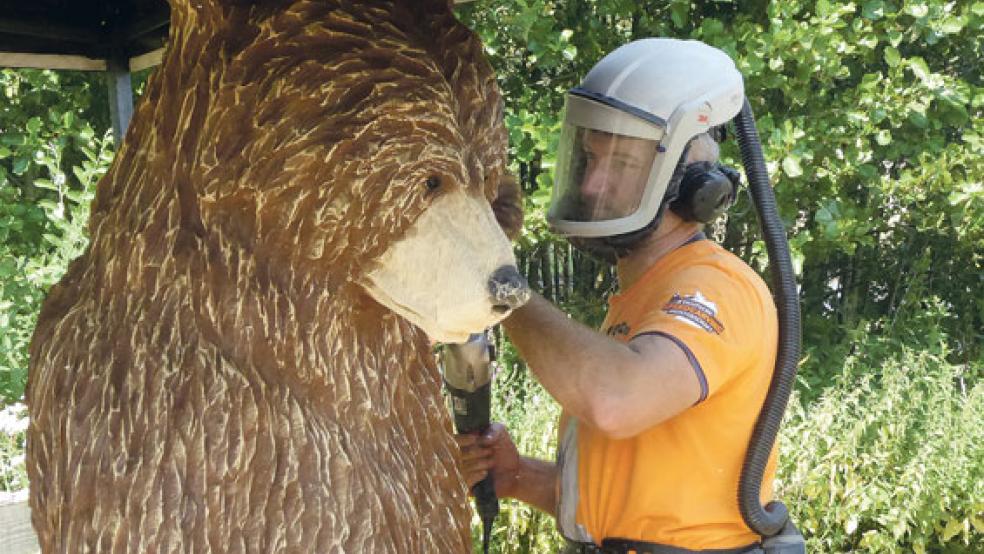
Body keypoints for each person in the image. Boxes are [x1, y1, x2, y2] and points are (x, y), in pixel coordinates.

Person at [457, 39, 780, 553]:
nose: (592, 184)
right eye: (590, 158)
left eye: (623, 164)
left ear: (697, 188)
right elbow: (622, 508)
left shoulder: (718, 287)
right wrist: (517, 476)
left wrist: (501, 289)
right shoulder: (636, 303)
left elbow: (617, 400)